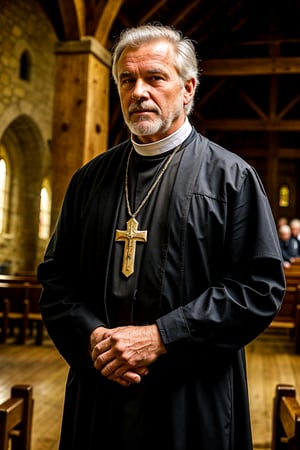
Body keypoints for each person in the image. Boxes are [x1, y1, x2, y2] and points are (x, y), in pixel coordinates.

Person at [37, 23, 285, 450]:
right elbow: (57, 281)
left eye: (154, 77)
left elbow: (259, 288)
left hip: (191, 396)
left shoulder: (231, 178)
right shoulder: (88, 180)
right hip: (102, 390)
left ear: (188, 89)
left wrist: (162, 337)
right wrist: (94, 338)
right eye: (126, 80)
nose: (138, 92)